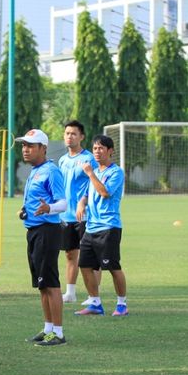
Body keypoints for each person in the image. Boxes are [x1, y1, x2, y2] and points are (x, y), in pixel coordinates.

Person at [16, 129, 67, 347]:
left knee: (51, 283)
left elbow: (63, 203)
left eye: (31, 146)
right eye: (24, 145)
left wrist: (48, 208)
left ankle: (58, 333)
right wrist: (25, 211)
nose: (25, 149)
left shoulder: (51, 171)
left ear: (43, 149)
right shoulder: (36, 171)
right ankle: (48, 329)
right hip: (35, 231)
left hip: (48, 230)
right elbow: (38, 201)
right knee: (42, 284)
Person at [74, 135, 128, 317]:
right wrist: (82, 203)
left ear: (110, 151)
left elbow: (104, 192)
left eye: (101, 148)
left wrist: (90, 173)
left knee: (112, 266)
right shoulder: (96, 171)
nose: (97, 152)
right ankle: (95, 302)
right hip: (91, 228)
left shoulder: (116, 172)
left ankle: (122, 304)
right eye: (95, 148)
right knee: (85, 265)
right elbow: (88, 194)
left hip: (108, 227)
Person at [58, 120, 98, 303]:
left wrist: (84, 202)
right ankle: (71, 293)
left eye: (73, 133)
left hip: (85, 215)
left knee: (90, 256)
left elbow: (97, 184)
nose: (69, 136)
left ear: (81, 137)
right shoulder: (62, 160)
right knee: (70, 254)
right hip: (66, 216)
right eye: (67, 133)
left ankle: (94, 296)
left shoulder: (89, 159)